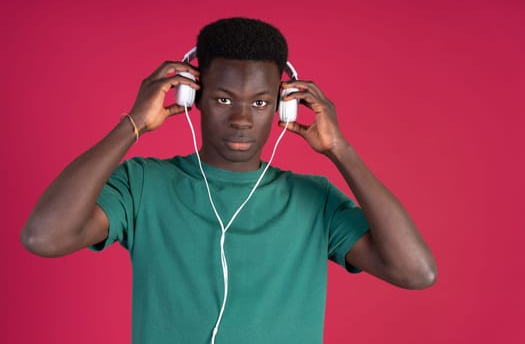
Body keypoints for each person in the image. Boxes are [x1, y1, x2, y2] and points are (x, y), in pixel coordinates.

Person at [21, 17, 437, 343]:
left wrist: (339, 149)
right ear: (192, 96)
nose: (241, 119)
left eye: (260, 102)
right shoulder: (143, 185)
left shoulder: (315, 201)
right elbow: (44, 237)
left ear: (283, 106)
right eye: (223, 99)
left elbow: (416, 272)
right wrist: (132, 125)